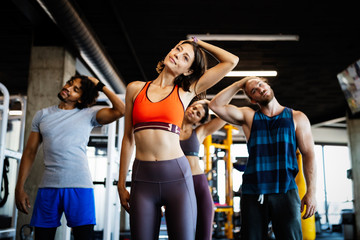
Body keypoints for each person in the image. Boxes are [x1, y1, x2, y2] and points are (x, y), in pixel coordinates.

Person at [117, 37, 238, 240]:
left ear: (188, 71)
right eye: (177, 49)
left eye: (185, 57)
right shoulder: (135, 89)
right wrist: (121, 184)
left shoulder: (186, 91)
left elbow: (231, 61)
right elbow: (128, 138)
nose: (177, 55)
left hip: (178, 179)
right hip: (142, 179)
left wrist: (199, 44)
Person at [15, 75, 125, 239]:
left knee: (84, 237)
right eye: (69, 83)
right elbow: (30, 152)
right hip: (48, 187)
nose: (68, 88)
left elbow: (121, 110)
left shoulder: (89, 114)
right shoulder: (42, 115)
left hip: (80, 186)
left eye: (76, 89)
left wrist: (99, 85)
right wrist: (19, 187)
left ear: (81, 99)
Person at [209, 76, 316, 240]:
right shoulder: (249, 117)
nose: (260, 89)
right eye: (254, 90)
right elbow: (215, 105)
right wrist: (240, 84)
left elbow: (309, 155)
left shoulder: (297, 117)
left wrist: (311, 192)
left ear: (267, 84)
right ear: (253, 99)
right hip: (254, 192)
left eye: (260, 84)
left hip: (286, 190)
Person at [180, 99, 226, 240]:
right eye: (193, 108)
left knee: (204, 230)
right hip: (177, 183)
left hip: (197, 181)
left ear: (199, 122)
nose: (193, 111)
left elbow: (224, 116)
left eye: (198, 113)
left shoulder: (199, 132)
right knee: (181, 230)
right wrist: (200, 101)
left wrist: (209, 103)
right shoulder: (170, 128)